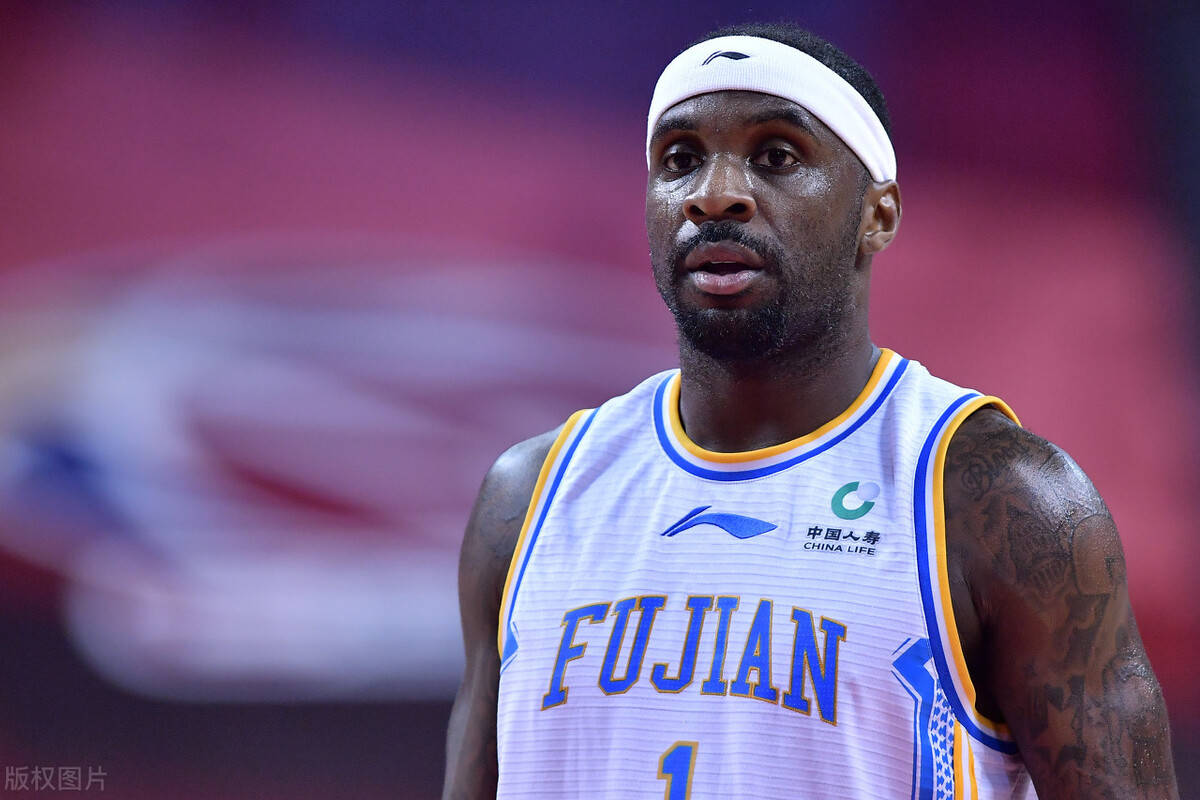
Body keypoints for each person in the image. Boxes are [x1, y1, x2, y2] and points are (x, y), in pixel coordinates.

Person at [442, 21, 1179, 800]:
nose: (713, 194)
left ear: (877, 215)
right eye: (681, 160)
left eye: (776, 156)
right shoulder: (530, 495)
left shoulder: (998, 499)